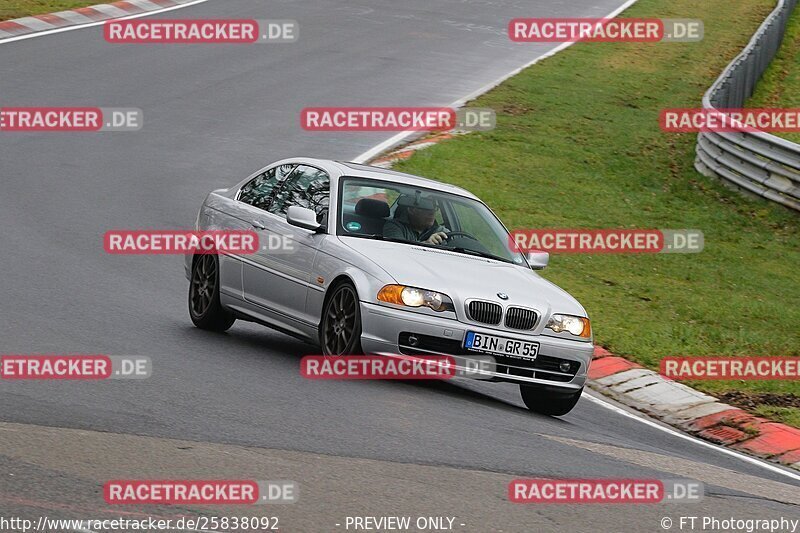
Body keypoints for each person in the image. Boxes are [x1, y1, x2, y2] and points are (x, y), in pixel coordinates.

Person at [383, 194, 449, 245]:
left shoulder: (442, 231)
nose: (432, 212)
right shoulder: (394, 226)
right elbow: (396, 250)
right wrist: (426, 244)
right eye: (426, 207)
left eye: (434, 208)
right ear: (411, 210)